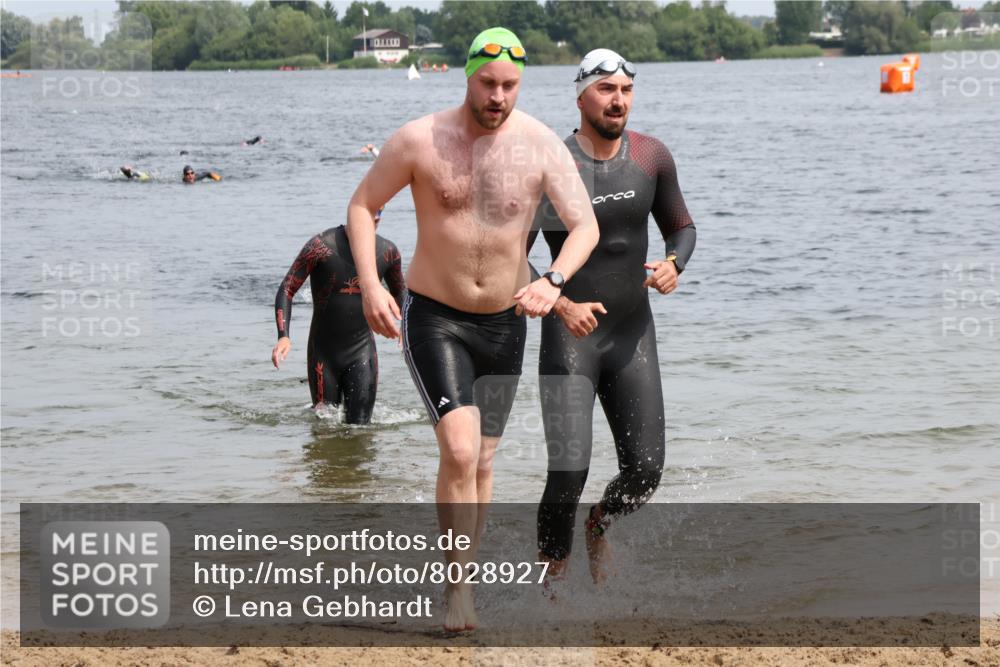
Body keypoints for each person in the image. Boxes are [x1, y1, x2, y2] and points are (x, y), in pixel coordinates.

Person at [345, 27, 599, 631]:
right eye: (488, 83)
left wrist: (555, 281)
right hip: (434, 316)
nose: (499, 96)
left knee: (482, 462)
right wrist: (373, 286)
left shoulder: (539, 145)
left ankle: (463, 574)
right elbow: (361, 206)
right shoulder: (419, 139)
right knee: (458, 448)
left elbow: (583, 226)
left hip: (506, 322)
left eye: (510, 85)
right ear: (467, 75)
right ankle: (458, 588)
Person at [529, 48, 697, 587]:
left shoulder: (651, 157)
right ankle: (549, 585)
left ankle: (598, 526)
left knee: (646, 472)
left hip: (632, 333)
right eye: (606, 90)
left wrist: (675, 264)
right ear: (580, 96)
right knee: (568, 472)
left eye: (625, 90)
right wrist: (559, 301)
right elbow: (510, 254)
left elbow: (682, 227)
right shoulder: (553, 164)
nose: (617, 100)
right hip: (569, 333)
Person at [271, 204, 403, 424]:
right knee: (324, 430)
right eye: (368, 216)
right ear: (354, 213)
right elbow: (287, 289)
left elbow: (401, 293)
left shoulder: (387, 252)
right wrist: (283, 335)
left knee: (361, 429)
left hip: (362, 352)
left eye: (377, 218)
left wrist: (409, 328)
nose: (372, 223)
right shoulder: (321, 246)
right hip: (323, 355)